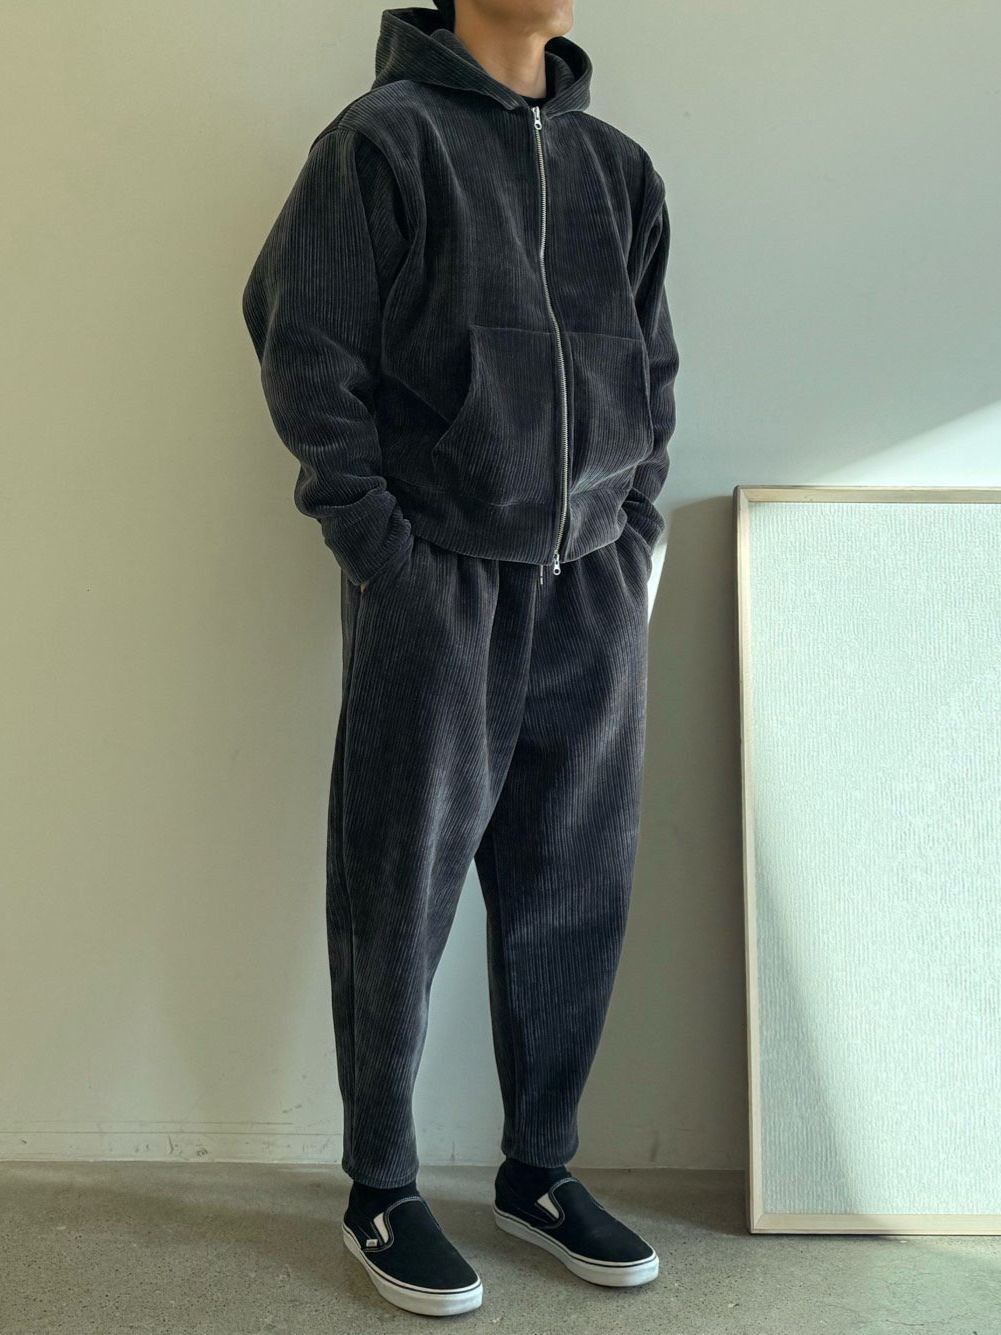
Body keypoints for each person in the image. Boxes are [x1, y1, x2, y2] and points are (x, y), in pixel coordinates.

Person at [241, 0, 679, 1317]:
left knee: (573, 888)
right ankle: (381, 1188)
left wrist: (631, 535)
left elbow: (653, 376)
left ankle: (539, 1168)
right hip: (440, 583)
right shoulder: (383, 144)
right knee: (399, 886)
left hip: (589, 584)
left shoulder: (618, 170)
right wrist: (389, 556)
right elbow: (302, 348)